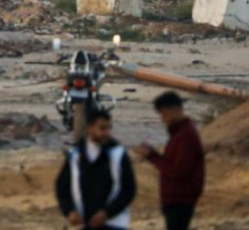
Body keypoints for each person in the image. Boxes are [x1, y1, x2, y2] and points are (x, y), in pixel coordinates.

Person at [134, 92, 204, 230]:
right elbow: (171, 162)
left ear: (175, 110)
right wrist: (152, 154)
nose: (163, 119)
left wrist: (151, 157)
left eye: (164, 114)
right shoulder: (179, 133)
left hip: (180, 199)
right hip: (175, 198)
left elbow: (178, 170)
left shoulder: (186, 135)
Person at [56, 110, 136, 230]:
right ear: (89, 128)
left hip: (114, 223)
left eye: (108, 128)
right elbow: (62, 186)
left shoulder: (117, 154)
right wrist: (69, 211)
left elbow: (129, 188)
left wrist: (107, 213)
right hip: (86, 222)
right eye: (102, 128)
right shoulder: (76, 155)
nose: (106, 132)